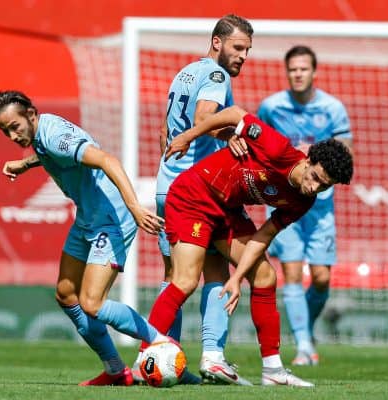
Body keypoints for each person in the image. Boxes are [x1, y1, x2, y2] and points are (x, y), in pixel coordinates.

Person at [145, 105, 353, 387]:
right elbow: (233, 113)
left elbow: (264, 236)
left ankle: (273, 371)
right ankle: (146, 358)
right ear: (308, 160)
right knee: (185, 280)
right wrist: (189, 136)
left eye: (324, 186)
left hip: (227, 210)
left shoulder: (304, 201)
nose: (314, 187)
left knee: (266, 276)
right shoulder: (278, 149)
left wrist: (237, 277)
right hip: (194, 196)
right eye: (315, 177)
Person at [0, 90, 168, 386]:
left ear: (31, 115)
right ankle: (116, 370)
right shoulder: (43, 135)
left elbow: (107, 160)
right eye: (4, 130)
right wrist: (25, 164)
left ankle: (161, 342)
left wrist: (135, 206)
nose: (11, 135)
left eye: (14, 126)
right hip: (88, 216)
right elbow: (52, 153)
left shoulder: (54, 135)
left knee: (92, 303)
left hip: (111, 219)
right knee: (66, 294)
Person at [132, 14, 254, 386]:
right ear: (216, 42)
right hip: (198, 193)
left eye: (247, 50)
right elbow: (204, 117)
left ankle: (163, 358)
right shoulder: (217, 77)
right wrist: (228, 133)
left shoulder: (185, 72)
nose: (243, 57)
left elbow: (167, 130)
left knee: (174, 278)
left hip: (167, 187)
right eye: (237, 47)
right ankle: (212, 357)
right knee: (215, 273)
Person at [257, 45, 353, 366]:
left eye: (303, 69)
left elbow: (346, 153)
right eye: (293, 69)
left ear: (314, 72)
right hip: (286, 201)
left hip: (321, 205)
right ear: (287, 72)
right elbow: (257, 143)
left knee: (322, 278)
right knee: (292, 273)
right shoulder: (271, 107)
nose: (298, 74)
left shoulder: (333, 108)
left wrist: (316, 153)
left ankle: (305, 330)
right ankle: (302, 347)